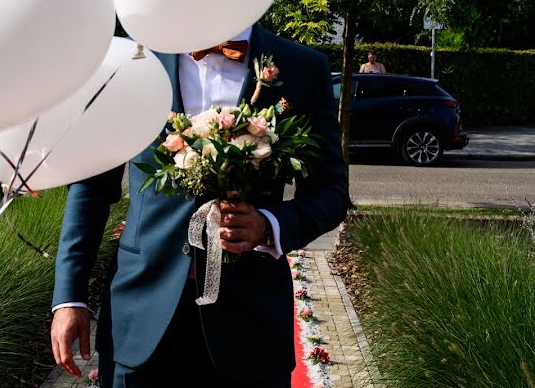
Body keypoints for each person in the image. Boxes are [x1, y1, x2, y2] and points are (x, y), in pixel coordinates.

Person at [50, 23, 349, 387]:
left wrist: (269, 224)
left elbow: (331, 191)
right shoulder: (130, 63)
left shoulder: (301, 67)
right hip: (141, 312)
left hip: (250, 324)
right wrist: (69, 298)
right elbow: (93, 186)